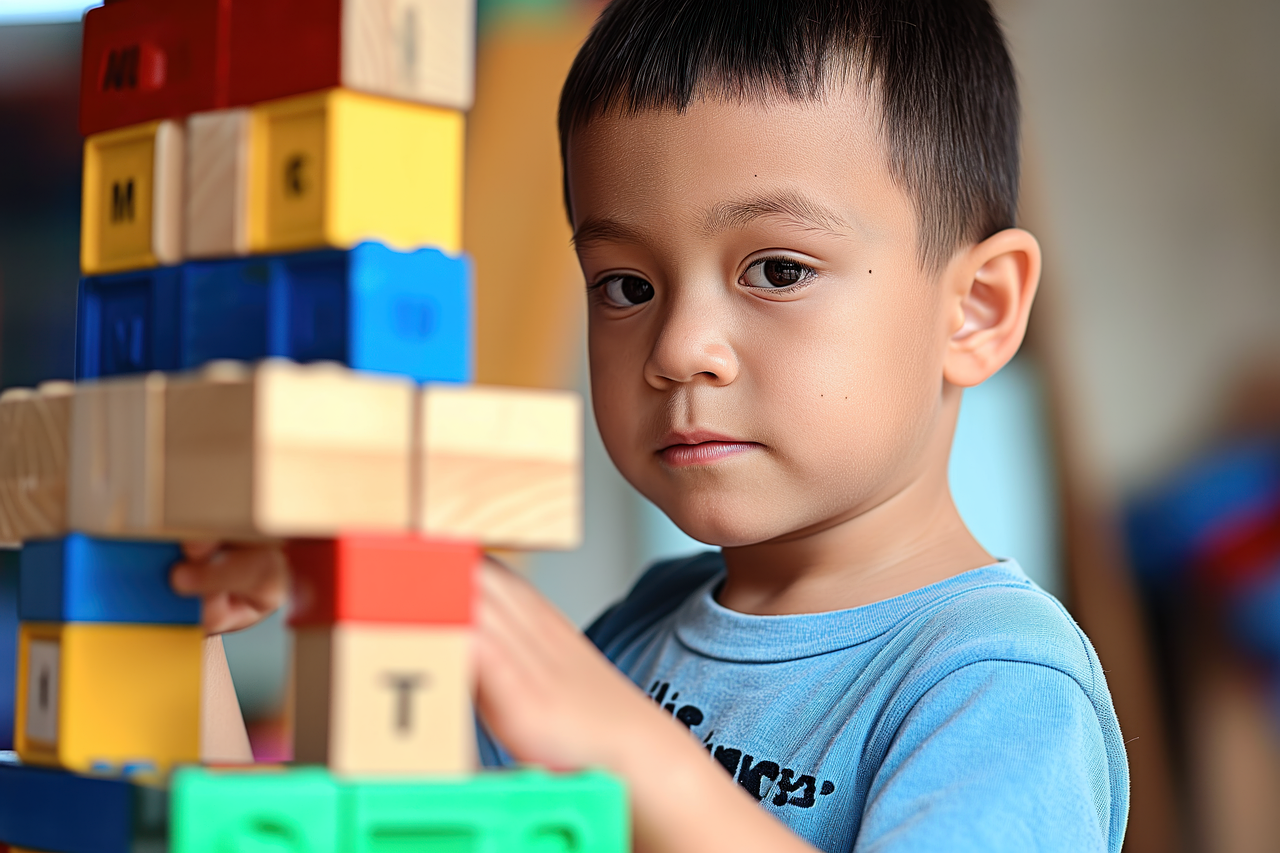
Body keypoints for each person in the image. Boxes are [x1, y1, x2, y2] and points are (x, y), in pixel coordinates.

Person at [172, 0, 1129, 849]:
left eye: (778, 269)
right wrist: (189, 629)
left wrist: (642, 760)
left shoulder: (998, 680)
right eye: (626, 286)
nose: (679, 347)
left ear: (979, 309)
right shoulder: (637, 633)